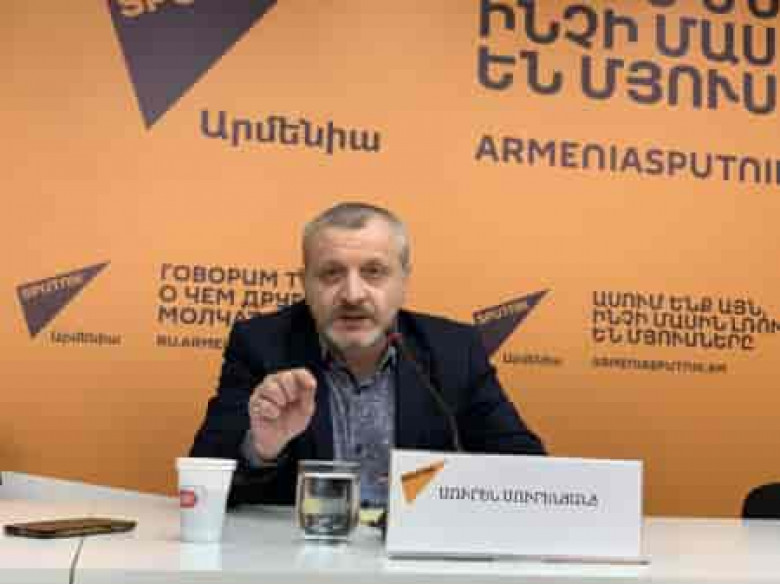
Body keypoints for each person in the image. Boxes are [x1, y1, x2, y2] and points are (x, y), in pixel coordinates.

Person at [190, 202, 545, 507]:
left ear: (403, 281)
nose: (353, 294)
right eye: (331, 274)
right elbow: (201, 485)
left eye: (374, 272)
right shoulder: (262, 345)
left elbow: (528, 470)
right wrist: (260, 449)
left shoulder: (454, 350)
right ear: (305, 283)